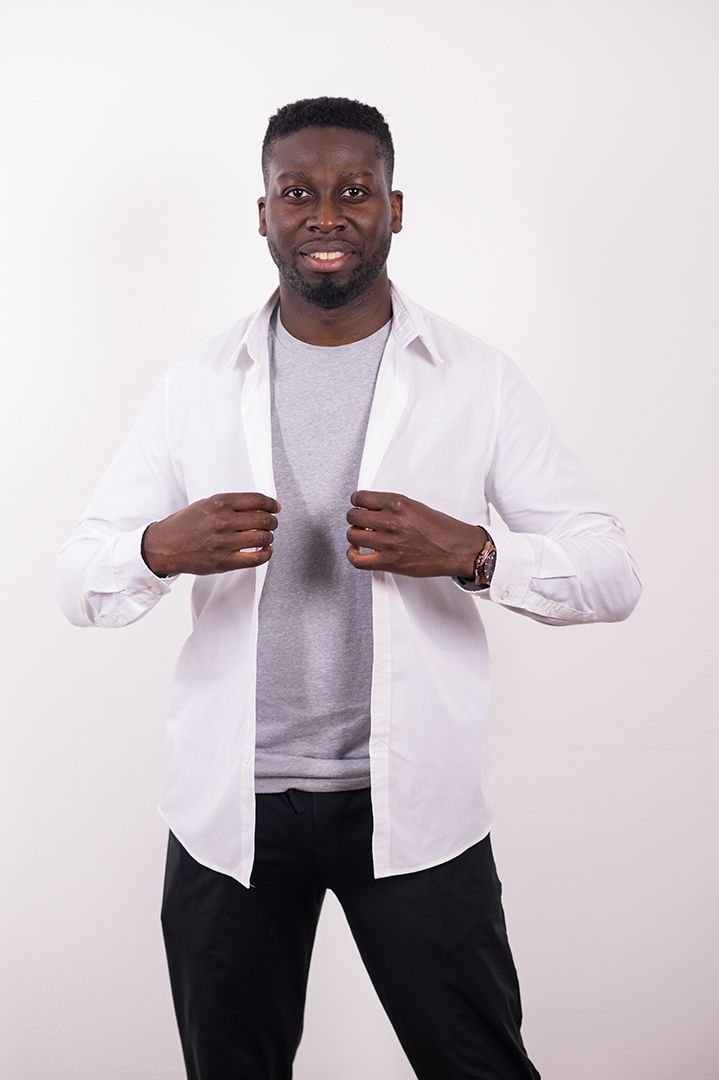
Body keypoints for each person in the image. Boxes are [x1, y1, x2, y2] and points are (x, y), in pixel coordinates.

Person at [57, 96, 642, 1080]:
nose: (324, 214)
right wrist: (159, 547)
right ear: (262, 213)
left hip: (411, 807)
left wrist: (475, 553)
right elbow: (77, 577)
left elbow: (611, 571)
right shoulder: (196, 384)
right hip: (228, 814)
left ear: (394, 208)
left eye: (352, 191)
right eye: (297, 192)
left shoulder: (473, 380)